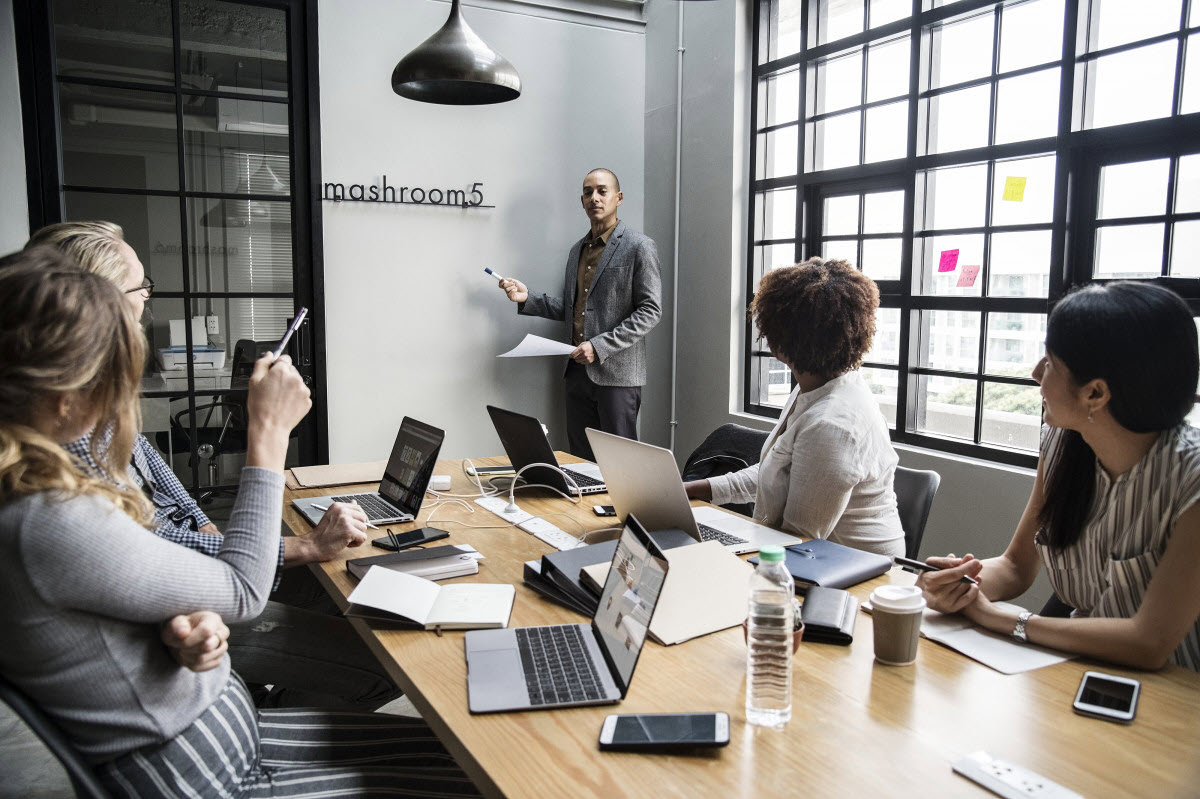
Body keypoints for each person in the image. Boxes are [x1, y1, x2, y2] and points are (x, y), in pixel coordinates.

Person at [0, 249, 479, 797]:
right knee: (478, 781)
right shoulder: (47, 517)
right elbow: (243, 591)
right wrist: (267, 433)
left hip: (220, 740)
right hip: (203, 777)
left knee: (466, 757)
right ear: (65, 397)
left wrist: (171, 626)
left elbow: (100, 608)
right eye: (113, 378)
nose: (118, 404)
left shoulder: (35, 493)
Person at [25, 220, 401, 711]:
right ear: (99, 306)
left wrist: (219, 538)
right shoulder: (68, 444)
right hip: (183, 608)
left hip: (200, 580)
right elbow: (222, 580)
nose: (146, 302)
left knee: (355, 591)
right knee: (386, 662)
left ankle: (262, 698)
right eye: (140, 288)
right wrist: (267, 434)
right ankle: (256, 713)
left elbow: (173, 496)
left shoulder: (102, 407)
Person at [917, 281, 1200, 671]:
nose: (1035, 373)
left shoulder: (1191, 480)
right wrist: (964, 586)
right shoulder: (1062, 445)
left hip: (1175, 702)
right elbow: (1016, 567)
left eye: (1049, 362)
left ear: (1096, 394)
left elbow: (1148, 642)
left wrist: (1000, 618)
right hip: (1075, 672)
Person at [683, 258, 905, 558]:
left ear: (780, 342)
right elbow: (777, 473)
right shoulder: (818, 385)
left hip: (855, 582)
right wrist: (695, 489)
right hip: (812, 559)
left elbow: (797, 543)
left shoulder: (831, 424)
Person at [497, 168, 662, 460]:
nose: (594, 198)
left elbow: (650, 311)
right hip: (576, 375)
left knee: (621, 462)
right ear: (581, 200)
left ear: (618, 197)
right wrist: (528, 298)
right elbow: (576, 308)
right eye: (588, 192)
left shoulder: (639, 247)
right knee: (581, 462)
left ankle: (622, 509)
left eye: (602, 191)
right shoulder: (577, 251)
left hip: (617, 377)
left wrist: (599, 347)